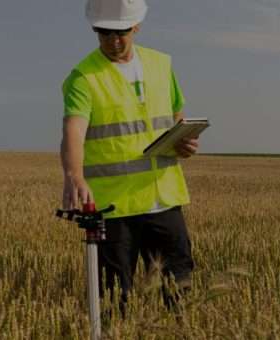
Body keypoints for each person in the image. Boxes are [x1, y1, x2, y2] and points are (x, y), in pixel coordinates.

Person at [60, 0, 198, 311]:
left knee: (179, 288)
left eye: (120, 32)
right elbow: (73, 130)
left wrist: (183, 142)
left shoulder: (161, 65)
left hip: (163, 197)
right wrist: (74, 175)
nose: (113, 41)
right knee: (113, 296)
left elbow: (177, 116)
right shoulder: (83, 76)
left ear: (136, 26)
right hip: (114, 207)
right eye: (104, 33)